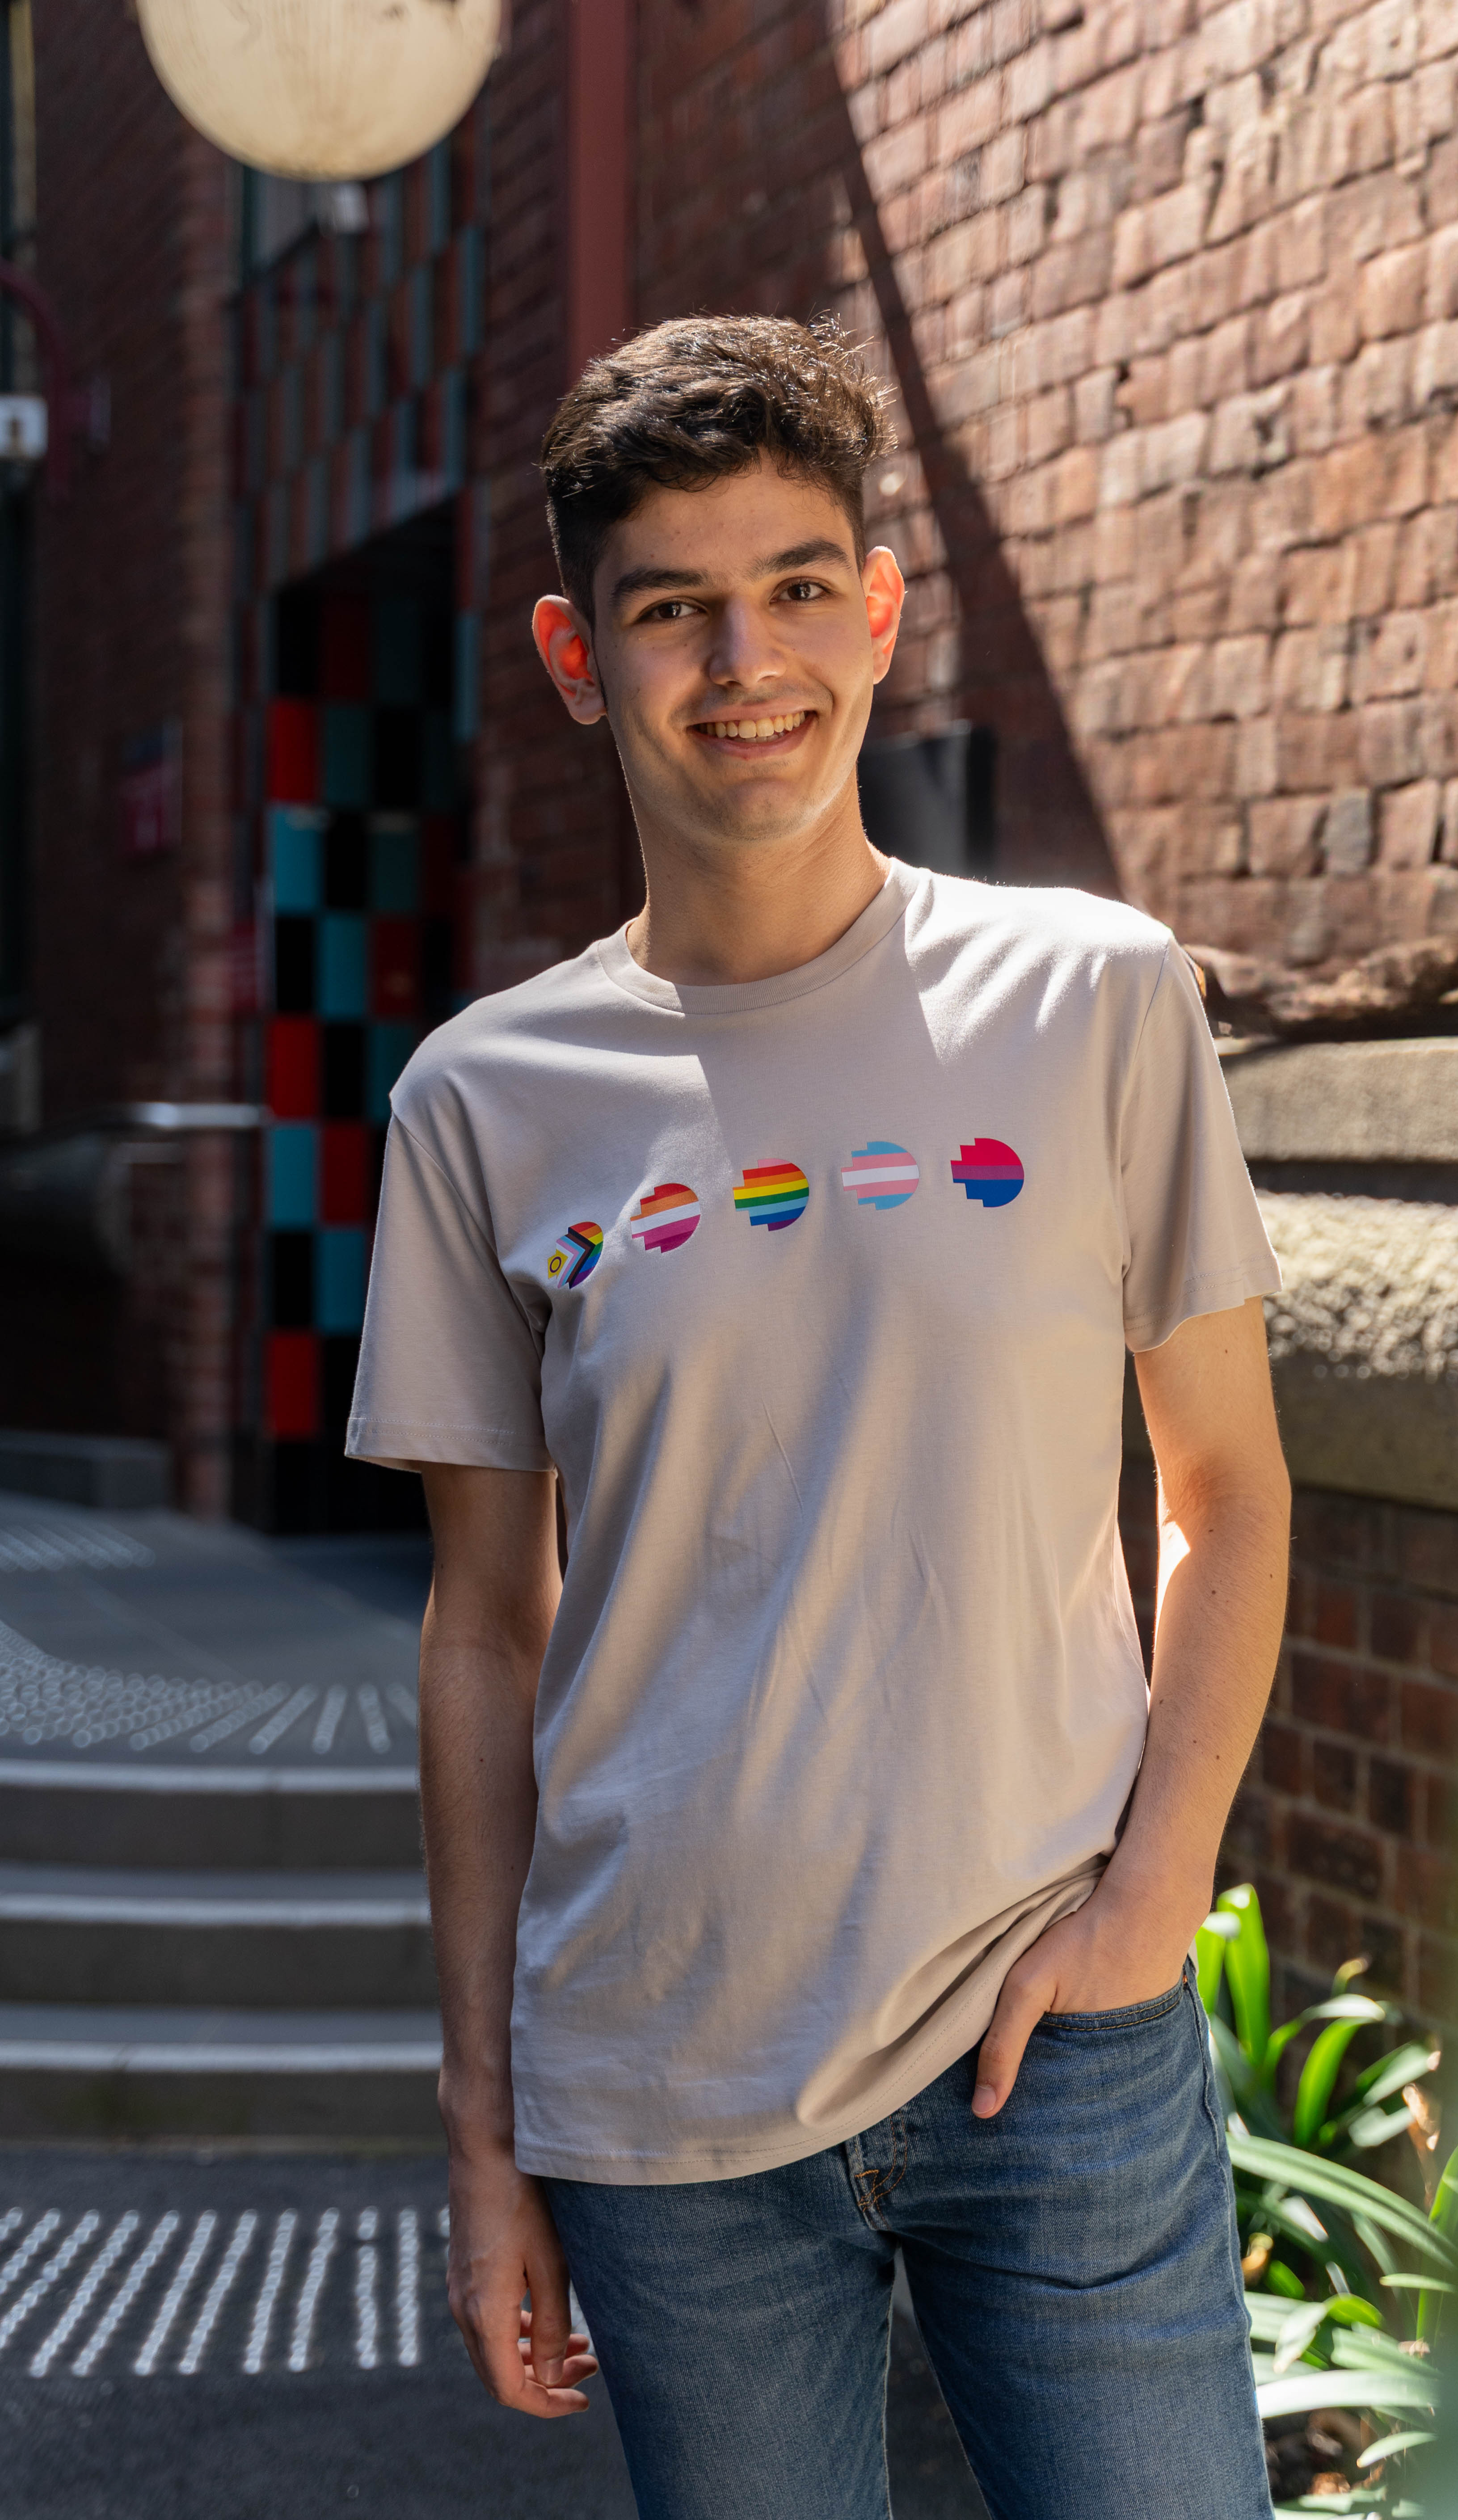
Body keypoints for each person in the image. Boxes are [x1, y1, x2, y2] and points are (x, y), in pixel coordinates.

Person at [348, 314, 1291, 2520]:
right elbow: (486, 1632)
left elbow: (1229, 1495)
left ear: (876, 616)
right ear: (582, 657)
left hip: (1053, 2043)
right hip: (668, 2088)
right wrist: (486, 2136)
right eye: (673, 608)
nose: (740, 659)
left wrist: (1150, 1904)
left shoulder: (1093, 998)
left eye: (791, 587)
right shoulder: (485, 1100)